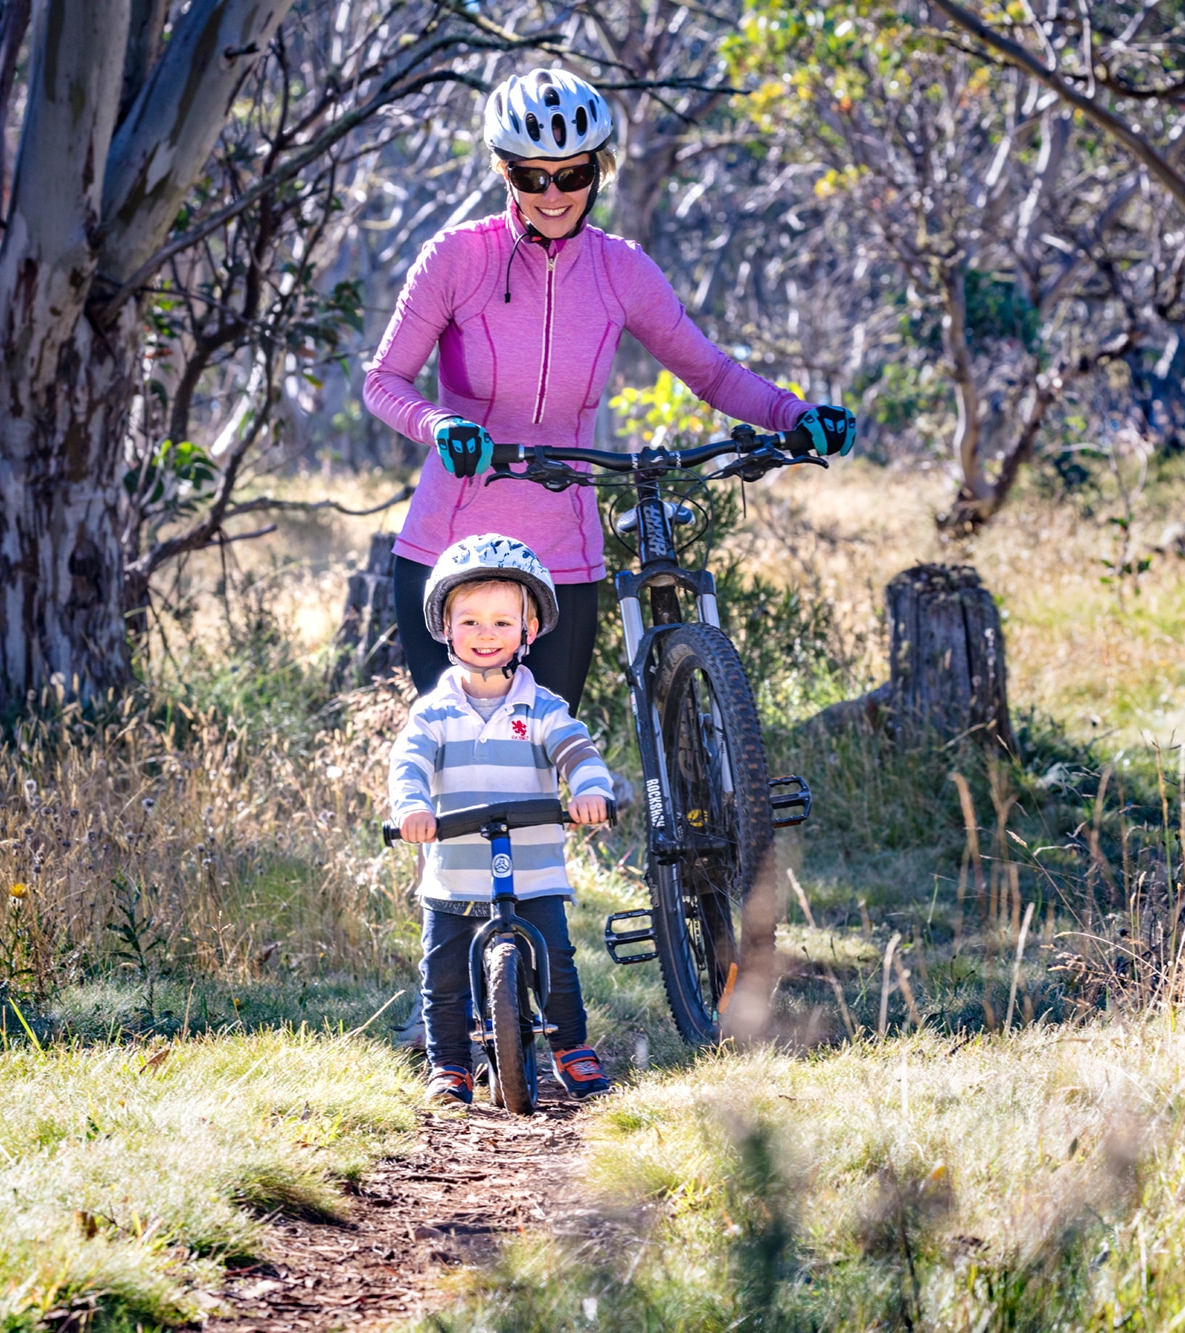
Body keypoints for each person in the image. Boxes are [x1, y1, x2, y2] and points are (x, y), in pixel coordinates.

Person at [364, 66, 858, 715]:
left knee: (543, 755)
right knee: (460, 762)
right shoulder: (457, 258)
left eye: (570, 175)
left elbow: (709, 373)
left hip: (562, 561)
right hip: (450, 549)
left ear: (597, 171)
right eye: (529, 176)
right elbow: (383, 382)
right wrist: (441, 427)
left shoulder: (620, 269)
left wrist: (795, 414)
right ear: (503, 171)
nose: (551, 193)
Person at [387, 534, 617, 1104]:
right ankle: (449, 1064)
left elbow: (577, 751)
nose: (485, 635)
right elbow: (409, 764)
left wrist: (590, 791)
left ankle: (570, 1047)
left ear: (528, 630)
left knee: (555, 963)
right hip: (455, 873)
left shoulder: (543, 708)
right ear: (444, 627)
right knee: (442, 974)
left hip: (534, 870)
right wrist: (412, 807)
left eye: (500, 622)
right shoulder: (434, 713)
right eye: (469, 622)